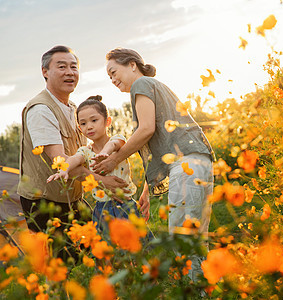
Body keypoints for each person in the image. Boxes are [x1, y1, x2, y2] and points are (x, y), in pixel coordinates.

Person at [91, 48, 214, 282]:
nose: (113, 79)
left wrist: (115, 159)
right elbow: (160, 145)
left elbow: (146, 129)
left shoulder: (141, 85)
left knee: (183, 238)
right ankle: (204, 289)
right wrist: (148, 190)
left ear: (132, 65)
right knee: (196, 238)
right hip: (196, 160)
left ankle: (196, 293)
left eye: (114, 71)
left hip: (186, 163)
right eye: (109, 77)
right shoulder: (152, 85)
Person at [17, 46, 128, 258]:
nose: (70, 72)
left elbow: (84, 153)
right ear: (45, 72)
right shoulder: (41, 109)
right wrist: (101, 181)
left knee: (98, 248)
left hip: (71, 197)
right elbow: (59, 161)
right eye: (62, 66)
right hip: (44, 201)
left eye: (74, 67)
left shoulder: (73, 108)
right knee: (62, 264)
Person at [47, 96, 151, 241]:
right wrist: (64, 169)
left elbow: (114, 145)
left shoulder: (118, 140)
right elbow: (74, 159)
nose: (89, 126)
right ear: (79, 128)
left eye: (94, 120)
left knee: (139, 244)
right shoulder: (85, 151)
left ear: (107, 121)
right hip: (102, 209)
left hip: (125, 205)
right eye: (83, 123)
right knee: (108, 252)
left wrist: (105, 153)